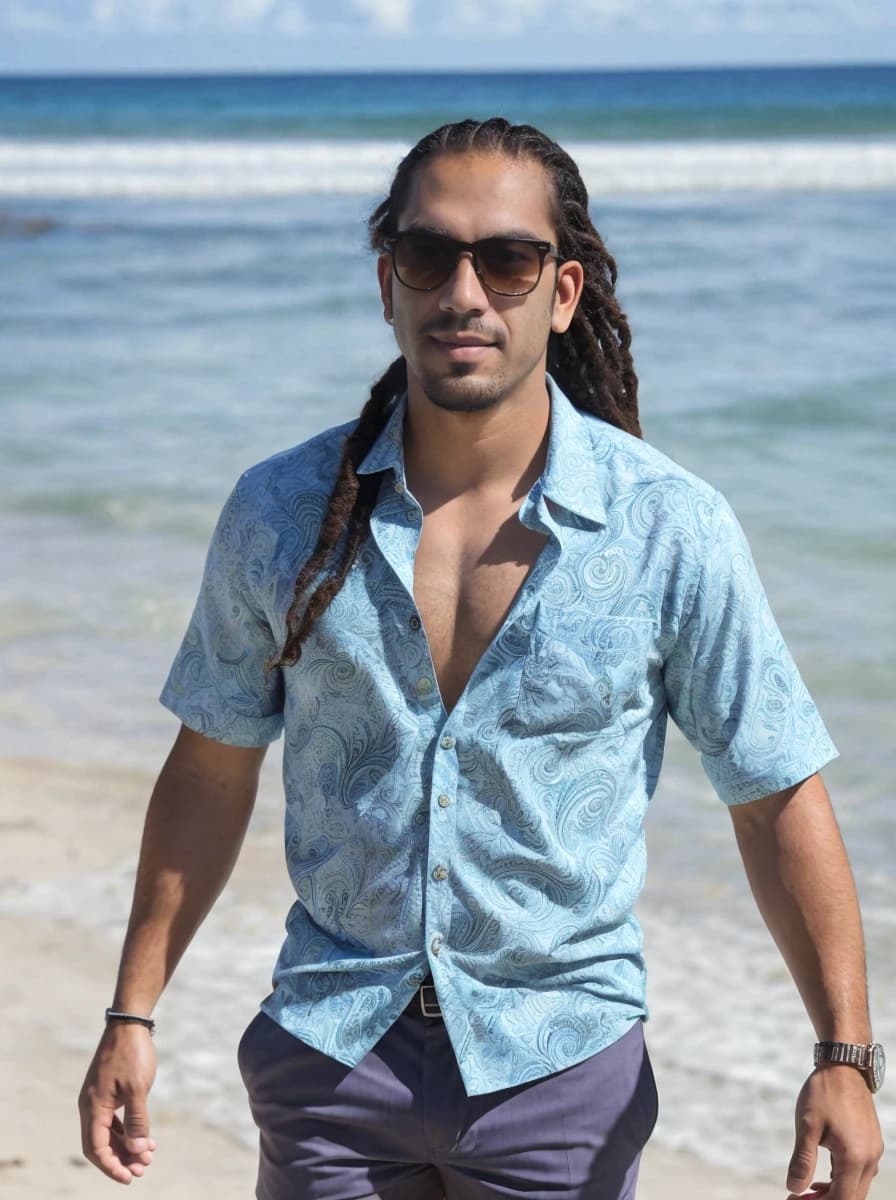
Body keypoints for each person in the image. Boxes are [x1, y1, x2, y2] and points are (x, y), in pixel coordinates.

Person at [78, 117, 885, 1200]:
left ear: (560, 292)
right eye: (428, 255)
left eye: (504, 259)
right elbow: (213, 767)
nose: (463, 291)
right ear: (387, 283)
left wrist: (841, 1054)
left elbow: (772, 791)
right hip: (330, 1052)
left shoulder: (666, 526)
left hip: (558, 1071)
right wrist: (131, 1012)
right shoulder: (279, 512)